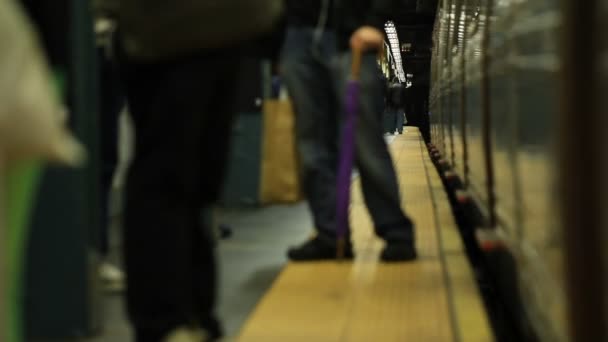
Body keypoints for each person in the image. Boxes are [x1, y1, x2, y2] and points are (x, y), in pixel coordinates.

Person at [93, 1, 283, 341]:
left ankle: (197, 314)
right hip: (165, 29)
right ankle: (162, 322)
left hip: (227, 27)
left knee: (202, 181)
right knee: (167, 175)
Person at [281, 0, 417, 262]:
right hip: (298, 35)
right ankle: (330, 234)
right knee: (312, 143)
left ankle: (396, 232)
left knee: (365, 142)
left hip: (350, 33)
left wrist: (375, 21)